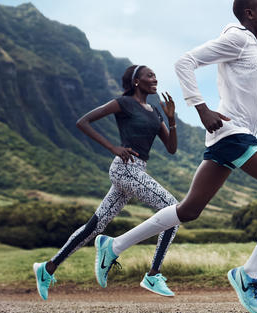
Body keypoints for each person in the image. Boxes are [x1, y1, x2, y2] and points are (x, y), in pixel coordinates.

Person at [92, 0, 257, 313]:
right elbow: (184, 62)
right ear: (249, 14)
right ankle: (249, 273)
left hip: (229, 137)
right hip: (231, 133)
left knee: (189, 210)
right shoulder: (236, 39)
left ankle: (114, 244)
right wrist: (201, 108)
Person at [32, 65, 180, 300]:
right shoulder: (123, 103)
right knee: (173, 209)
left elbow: (171, 148)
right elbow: (84, 121)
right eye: (149, 75)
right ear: (136, 81)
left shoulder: (154, 111)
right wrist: (113, 147)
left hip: (137, 170)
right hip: (125, 168)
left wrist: (171, 120)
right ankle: (153, 274)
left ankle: (47, 268)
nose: (155, 78)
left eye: (155, 75)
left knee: (95, 226)